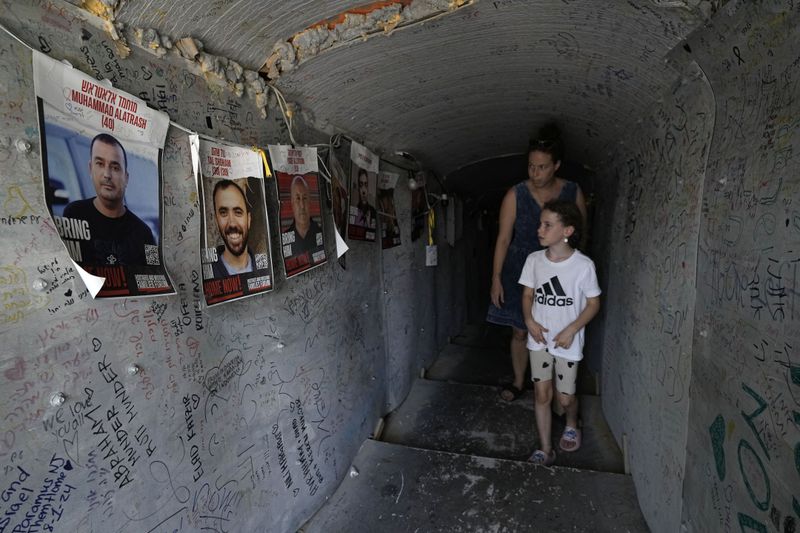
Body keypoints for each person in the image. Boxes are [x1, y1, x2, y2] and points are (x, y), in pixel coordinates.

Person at [488, 135, 587, 402]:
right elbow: (504, 238)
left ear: (556, 166)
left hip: (559, 271)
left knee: (558, 329)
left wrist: (575, 272)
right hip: (521, 268)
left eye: (542, 166)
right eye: (531, 166)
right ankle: (521, 381)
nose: (535, 173)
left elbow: (581, 235)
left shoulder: (572, 191)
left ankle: (557, 391)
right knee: (520, 329)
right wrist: (496, 277)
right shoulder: (516, 194)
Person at [519, 200, 600, 465]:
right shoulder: (534, 260)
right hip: (538, 339)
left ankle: (572, 421)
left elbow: (593, 303)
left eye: (547, 225)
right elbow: (528, 294)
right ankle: (545, 448)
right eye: (540, 224)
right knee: (542, 395)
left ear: (567, 231)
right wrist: (529, 320)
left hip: (568, 343)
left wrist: (572, 330)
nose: (540, 230)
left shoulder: (583, 266)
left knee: (565, 399)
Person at [63, 133, 155, 265]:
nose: (107, 175)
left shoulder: (145, 234)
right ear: (90, 169)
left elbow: (156, 274)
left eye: (115, 167)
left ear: (126, 177)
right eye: (100, 164)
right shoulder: (73, 214)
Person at [210, 179, 256, 277]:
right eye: (223, 213)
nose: (232, 224)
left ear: (248, 220)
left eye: (238, 212)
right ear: (216, 221)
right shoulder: (210, 273)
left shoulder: (265, 265)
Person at [285, 175, 322, 256]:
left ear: (309, 202)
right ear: (292, 203)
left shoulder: (321, 233)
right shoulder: (285, 239)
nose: (302, 205)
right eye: (298, 198)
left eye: (305, 198)